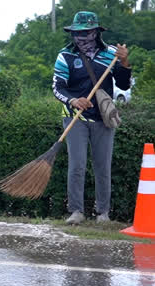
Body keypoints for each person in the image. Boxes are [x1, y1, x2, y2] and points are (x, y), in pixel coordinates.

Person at [52, 11, 132, 225]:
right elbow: (57, 88)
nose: (82, 37)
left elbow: (124, 85)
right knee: (77, 165)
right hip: (75, 118)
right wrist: (73, 101)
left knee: (102, 166)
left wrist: (124, 62)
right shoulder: (65, 56)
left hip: (103, 119)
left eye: (86, 32)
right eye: (77, 33)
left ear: (96, 32)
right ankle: (76, 211)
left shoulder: (110, 54)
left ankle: (103, 213)